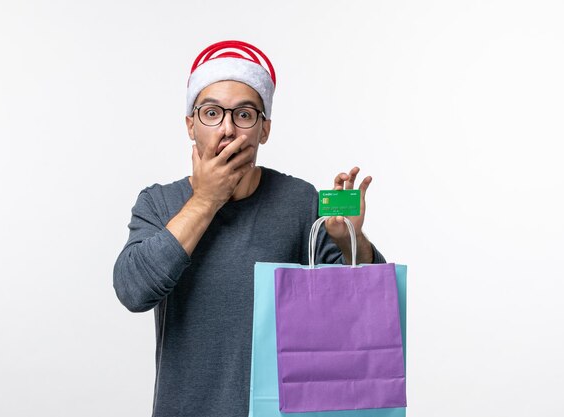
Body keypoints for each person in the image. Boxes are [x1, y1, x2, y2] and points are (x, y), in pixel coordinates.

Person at [113, 40, 386, 417]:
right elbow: (133, 291)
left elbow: (363, 312)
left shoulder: (300, 200)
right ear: (191, 126)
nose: (227, 129)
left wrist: (350, 241)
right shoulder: (158, 203)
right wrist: (207, 199)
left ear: (264, 129)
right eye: (211, 113)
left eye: (244, 115)